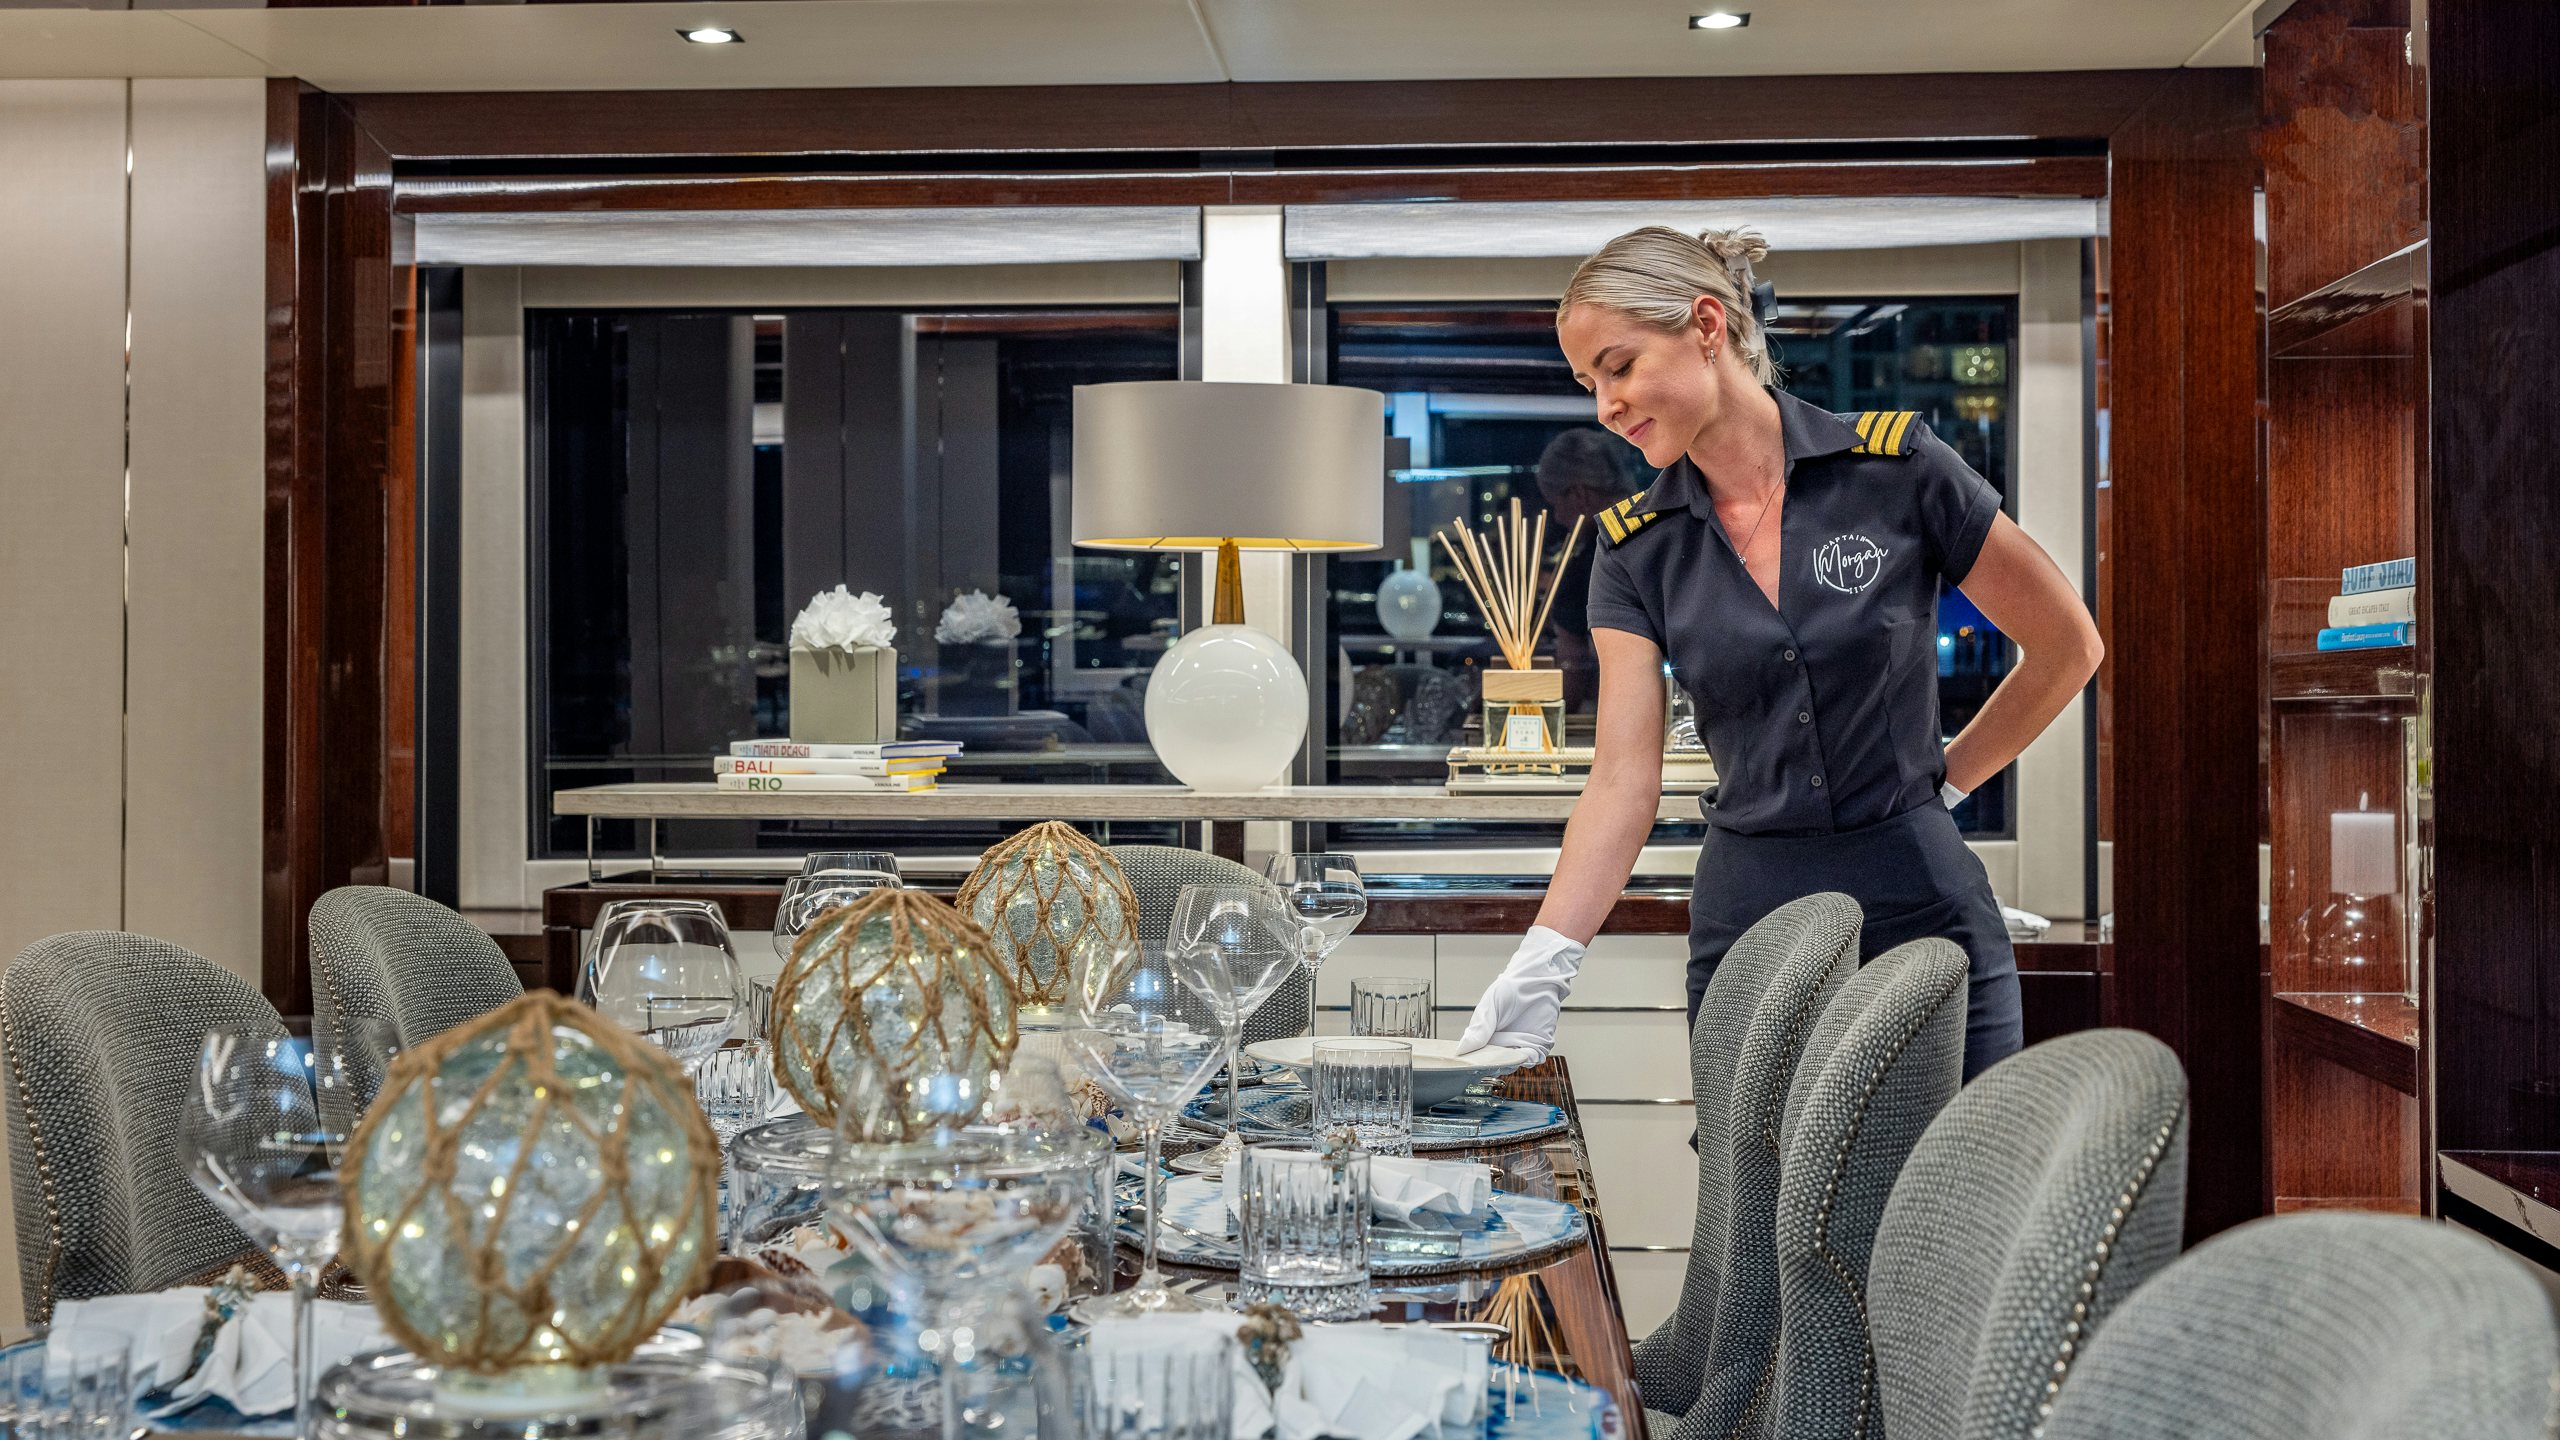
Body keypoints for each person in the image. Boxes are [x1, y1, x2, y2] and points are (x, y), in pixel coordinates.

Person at [1459, 226, 2102, 1081]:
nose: (1603, 405)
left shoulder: (1899, 470)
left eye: (1618, 366)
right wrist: (1545, 959)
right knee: (1760, 1211)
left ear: (1707, 326)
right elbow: (1622, 778)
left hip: (1921, 903)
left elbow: (2067, 647)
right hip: (1751, 919)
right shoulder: (1633, 550)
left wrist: (1943, 783)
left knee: (1951, 1203)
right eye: (1588, 383)